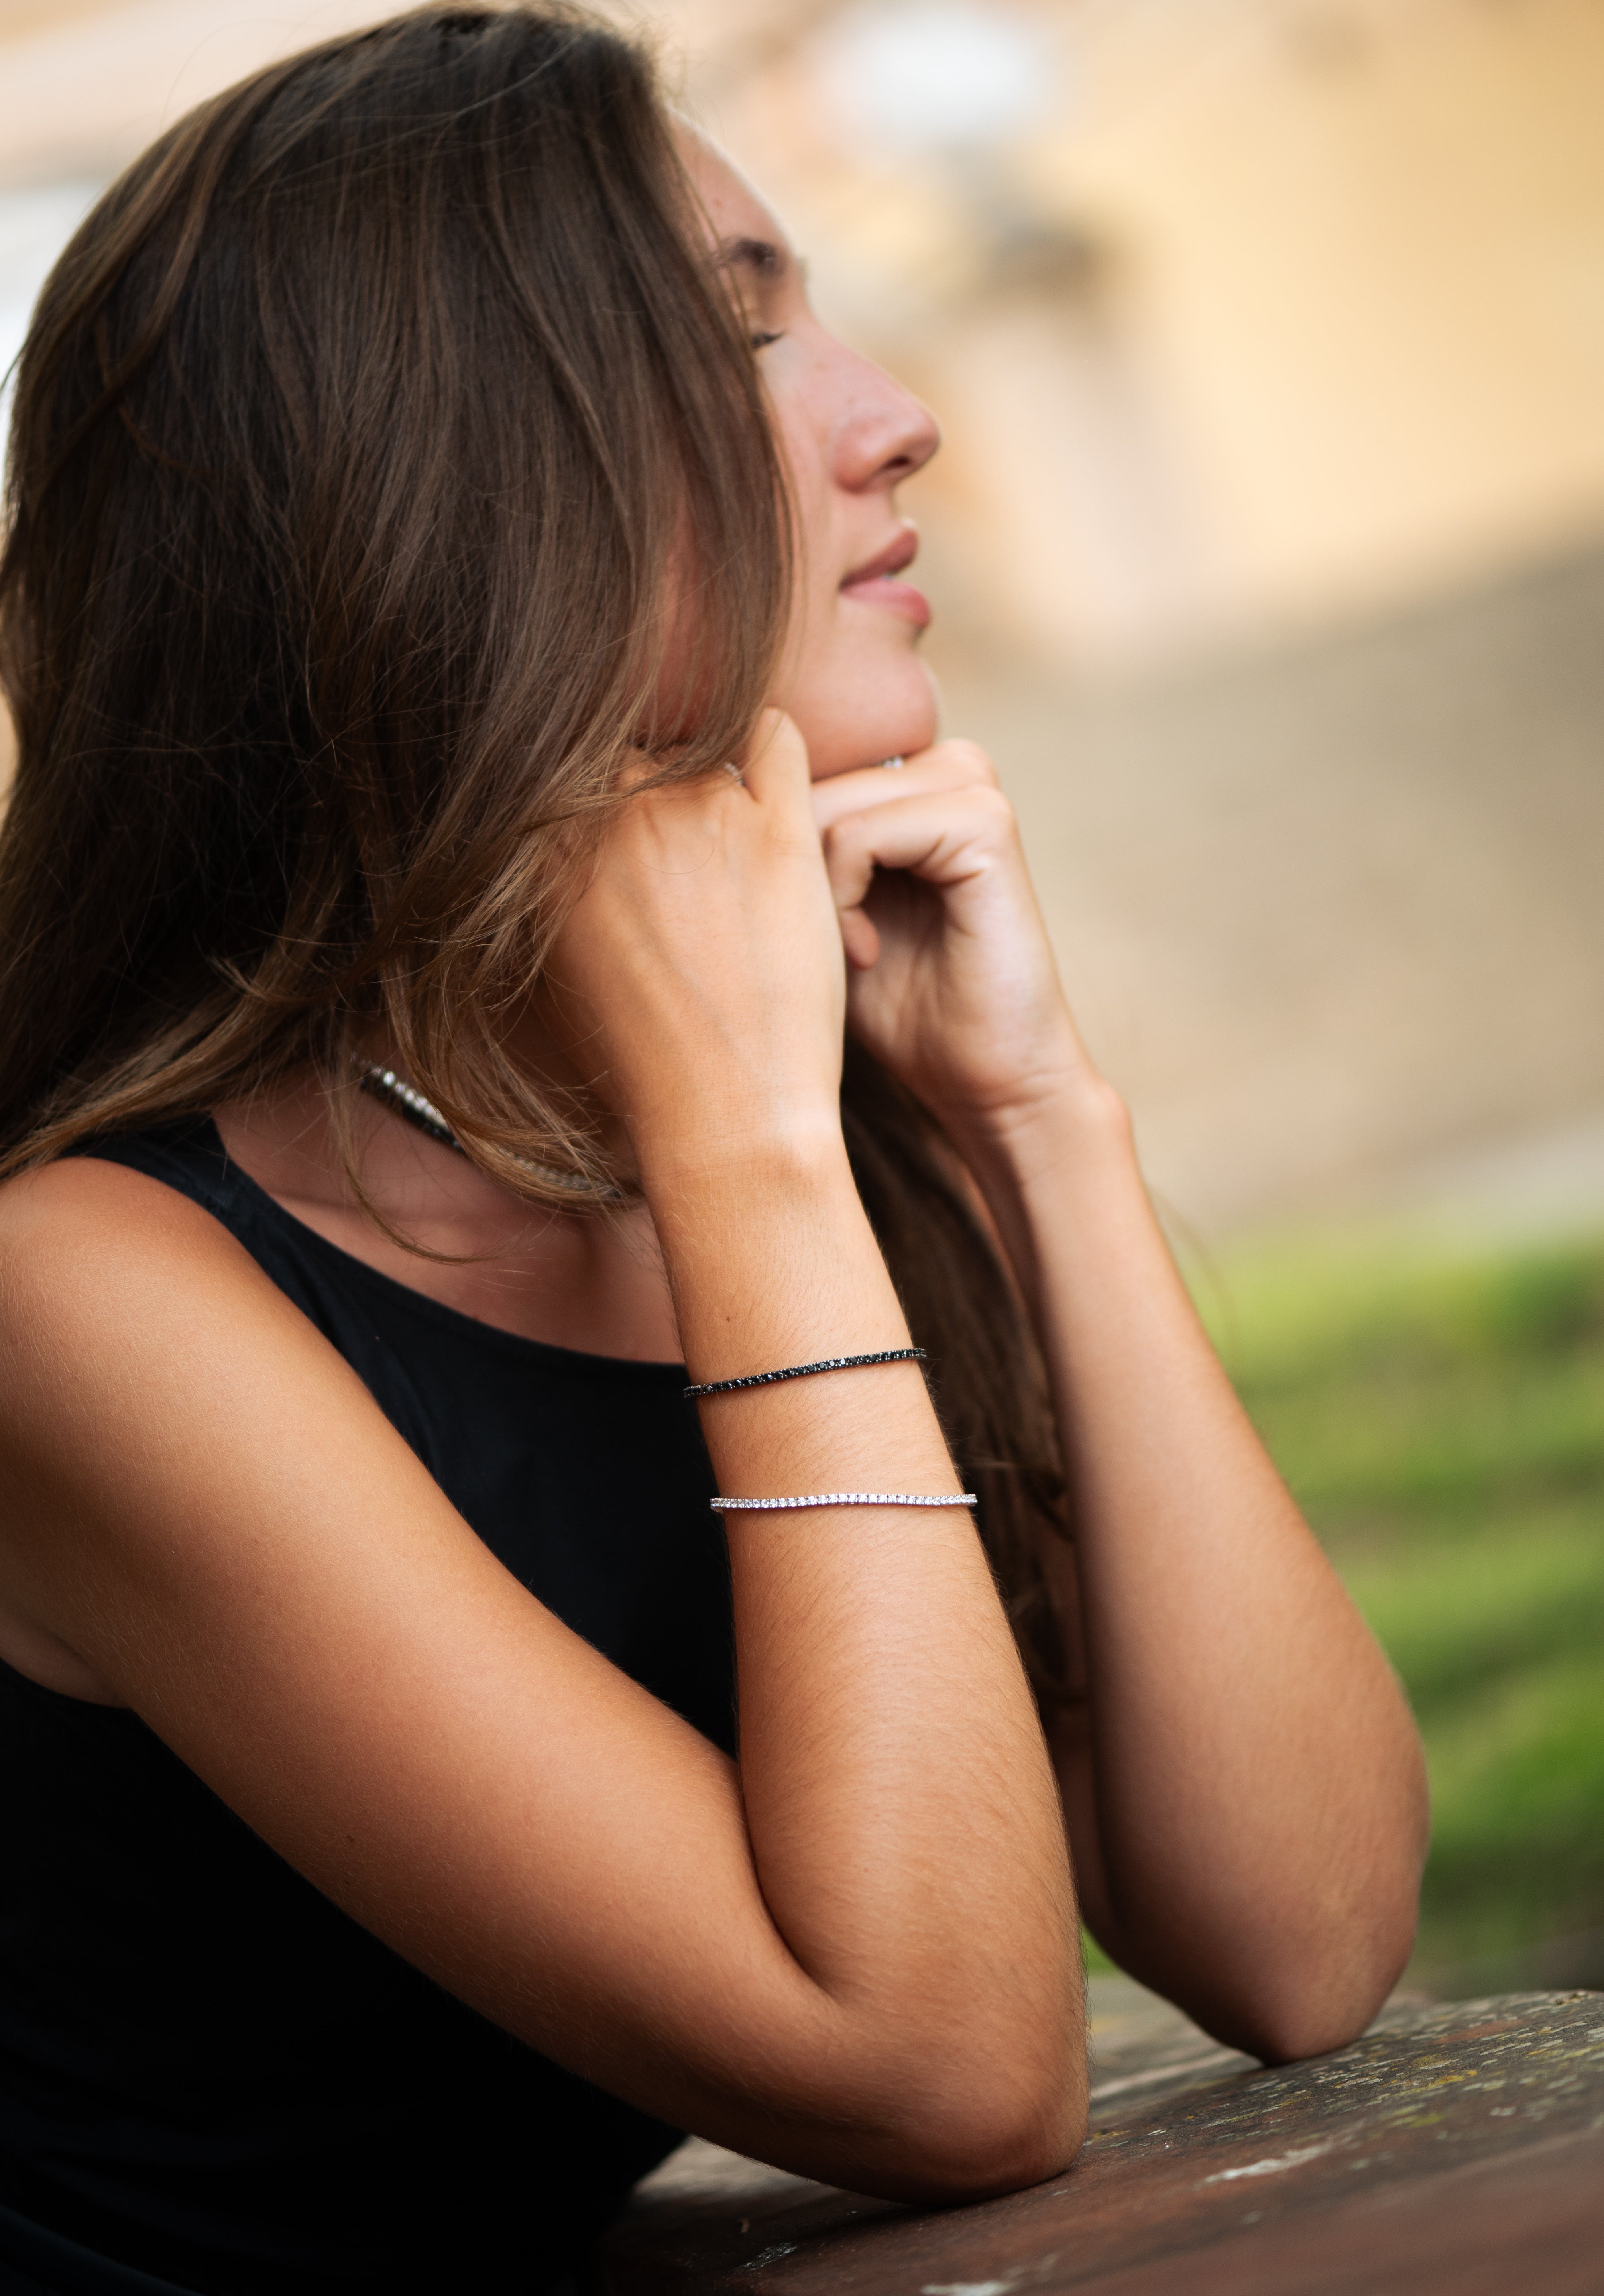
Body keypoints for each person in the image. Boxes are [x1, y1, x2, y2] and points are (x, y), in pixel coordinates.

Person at [0, 7, 1429, 2291]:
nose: (896, 415)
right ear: (449, 489)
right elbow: (941, 2068)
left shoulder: (776, 1100)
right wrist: (746, 1152)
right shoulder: (86, 1299)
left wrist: (1035, 1124)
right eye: (737, 327)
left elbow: (1300, 1933)